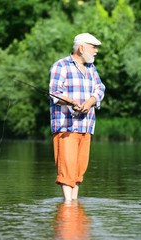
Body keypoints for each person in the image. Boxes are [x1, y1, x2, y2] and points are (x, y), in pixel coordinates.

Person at [49, 33, 105, 201]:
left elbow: (100, 88)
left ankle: (73, 203)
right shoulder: (61, 66)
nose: (96, 51)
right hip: (65, 126)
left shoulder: (91, 69)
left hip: (86, 126)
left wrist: (91, 101)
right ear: (81, 48)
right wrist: (71, 101)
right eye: (93, 47)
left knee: (79, 169)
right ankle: (68, 205)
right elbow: (55, 93)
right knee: (66, 169)